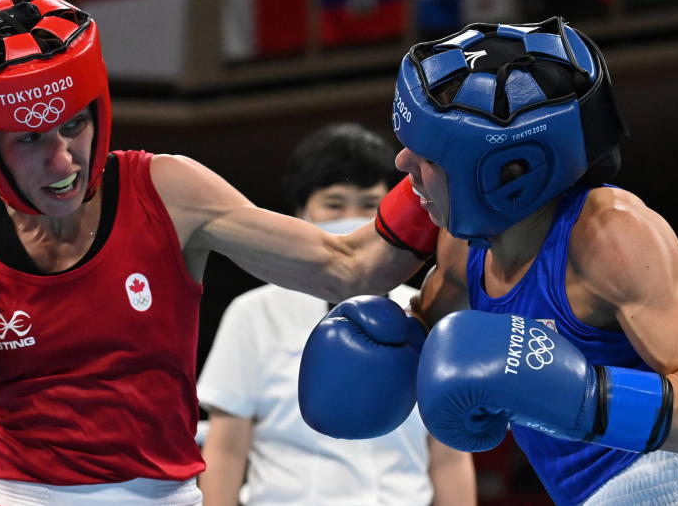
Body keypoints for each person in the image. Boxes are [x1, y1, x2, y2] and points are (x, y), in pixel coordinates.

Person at [0, 0, 440, 506]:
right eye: (32, 138)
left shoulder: (166, 191)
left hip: (164, 496)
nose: (63, 159)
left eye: (75, 125)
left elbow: (350, 266)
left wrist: (441, 167)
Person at [299, 17, 678, 505]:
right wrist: (389, 349)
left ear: (506, 172)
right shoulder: (465, 247)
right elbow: (433, 342)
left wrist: (581, 395)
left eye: (426, 156)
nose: (402, 164)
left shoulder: (613, 234)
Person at [197, 123, 475, 506]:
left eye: (368, 204)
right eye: (334, 204)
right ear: (301, 213)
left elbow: (448, 457)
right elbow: (226, 449)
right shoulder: (254, 315)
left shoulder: (430, 307)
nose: (351, 217)